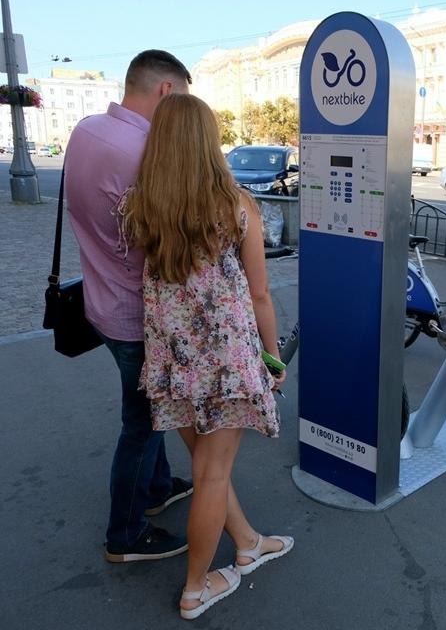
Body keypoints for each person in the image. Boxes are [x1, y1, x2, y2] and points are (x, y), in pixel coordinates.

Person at [121, 93, 293, 620]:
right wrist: (273, 358)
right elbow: (260, 294)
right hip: (226, 367)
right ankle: (195, 589)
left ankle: (248, 543)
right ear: (208, 142)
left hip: (172, 366)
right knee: (212, 475)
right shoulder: (236, 205)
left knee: (206, 467)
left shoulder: (141, 205)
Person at [65, 50, 195, 562]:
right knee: (142, 423)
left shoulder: (86, 130)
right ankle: (125, 534)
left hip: (99, 301)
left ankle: (157, 488)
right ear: (166, 91)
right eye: (182, 99)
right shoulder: (147, 154)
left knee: (151, 409)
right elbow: (171, 244)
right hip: (136, 316)